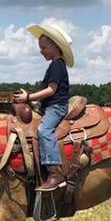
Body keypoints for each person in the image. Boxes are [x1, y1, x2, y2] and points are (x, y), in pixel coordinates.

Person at [13, 23, 74, 192]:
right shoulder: (54, 65)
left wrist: (28, 97)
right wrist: (35, 102)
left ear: (56, 46)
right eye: (40, 48)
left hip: (57, 107)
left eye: (44, 47)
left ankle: (55, 172)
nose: (41, 51)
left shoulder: (57, 65)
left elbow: (51, 90)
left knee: (44, 130)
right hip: (49, 105)